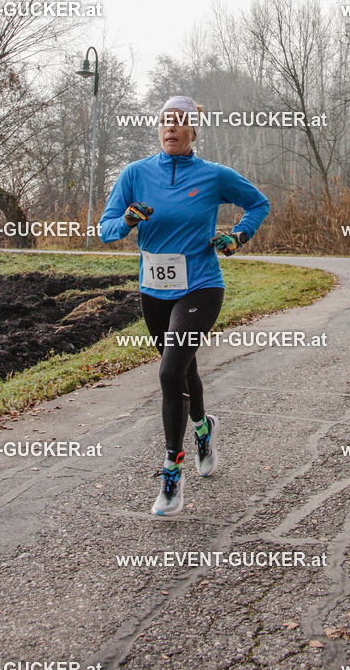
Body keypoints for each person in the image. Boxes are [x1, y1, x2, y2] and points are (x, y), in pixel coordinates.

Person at [97, 95, 270, 516]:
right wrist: (129, 221)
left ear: (195, 131)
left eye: (180, 123)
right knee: (184, 368)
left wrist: (238, 237)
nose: (170, 128)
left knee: (170, 369)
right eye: (164, 122)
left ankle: (172, 474)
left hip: (201, 287)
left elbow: (258, 203)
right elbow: (105, 230)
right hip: (154, 290)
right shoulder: (135, 174)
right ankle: (203, 429)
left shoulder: (213, 176)